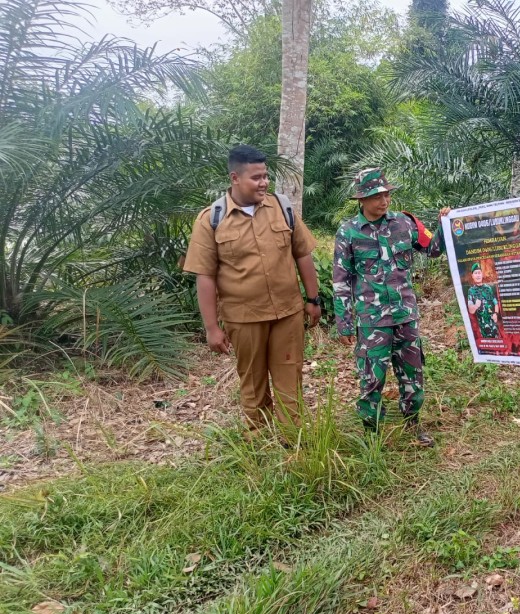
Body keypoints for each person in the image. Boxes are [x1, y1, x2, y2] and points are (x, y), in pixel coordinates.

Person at [183, 144, 321, 430]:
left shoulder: (282, 208)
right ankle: (257, 444)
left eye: (266, 176)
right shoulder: (211, 220)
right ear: (235, 178)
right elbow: (204, 276)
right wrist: (212, 327)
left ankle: (290, 442)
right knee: (252, 384)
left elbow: (302, 254)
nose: (264, 182)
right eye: (256, 177)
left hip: (287, 313)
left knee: (289, 381)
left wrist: (313, 298)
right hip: (243, 318)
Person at [332, 168, 448, 446]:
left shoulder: (405, 223)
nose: (383, 201)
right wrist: (344, 321)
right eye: (376, 196)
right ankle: (372, 435)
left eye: (386, 194)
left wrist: (444, 225)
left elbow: (432, 249)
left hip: (405, 316)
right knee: (372, 378)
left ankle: (412, 425)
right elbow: (341, 279)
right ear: (362, 199)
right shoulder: (348, 232)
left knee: (412, 374)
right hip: (372, 320)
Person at [466, 262, 501, 338]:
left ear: (482, 274)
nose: (478, 275)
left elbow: (495, 302)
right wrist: (475, 306)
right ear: (472, 276)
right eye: (475, 273)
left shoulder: (488, 288)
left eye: (479, 273)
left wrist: (496, 313)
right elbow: (471, 310)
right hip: (484, 328)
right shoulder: (471, 291)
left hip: (494, 325)